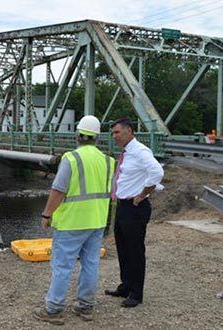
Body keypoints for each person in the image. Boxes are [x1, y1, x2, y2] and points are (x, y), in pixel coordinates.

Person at [34, 115, 115, 325]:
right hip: (97, 221)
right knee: (91, 264)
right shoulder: (108, 161)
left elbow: (58, 190)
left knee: (62, 266)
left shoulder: (71, 159)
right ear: (97, 137)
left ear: (78, 135)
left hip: (71, 222)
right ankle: (85, 306)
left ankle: (53, 309)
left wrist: (46, 214)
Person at [104, 118, 164, 308]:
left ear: (129, 131)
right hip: (123, 206)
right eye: (113, 133)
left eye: (117, 132)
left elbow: (157, 172)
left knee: (135, 251)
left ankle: (136, 294)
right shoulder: (128, 153)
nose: (114, 136)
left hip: (135, 207)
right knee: (123, 248)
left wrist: (143, 194)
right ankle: (126, 286)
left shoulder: (140, 151)